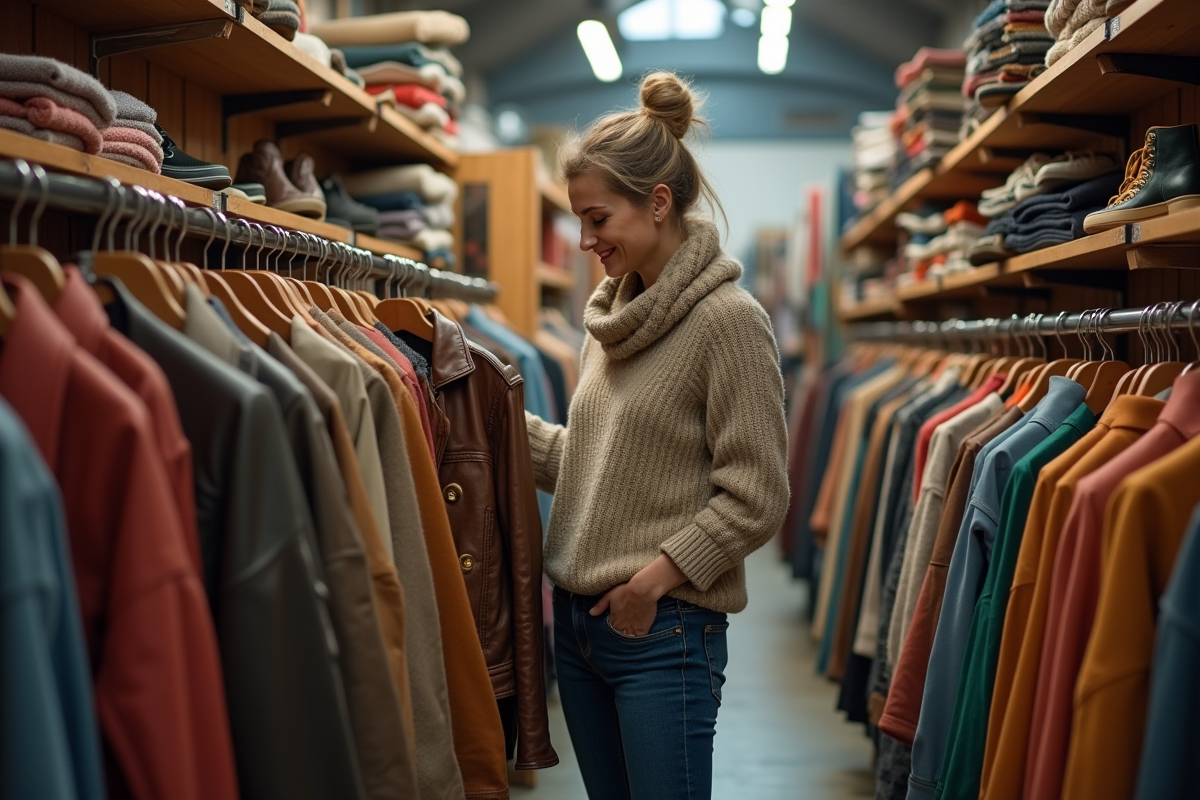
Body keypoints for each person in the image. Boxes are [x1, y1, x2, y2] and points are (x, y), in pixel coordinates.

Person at [524, 70, 790, 800]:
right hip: (580, 630)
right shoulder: (610, 322)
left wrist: (652, 582)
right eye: (580, 220)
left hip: (662, 632)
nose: (584, 240)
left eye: (598, 219)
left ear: (659, 203)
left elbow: (758, 495)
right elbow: (591, 465)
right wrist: (487, 412)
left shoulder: (728, 323)